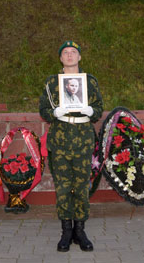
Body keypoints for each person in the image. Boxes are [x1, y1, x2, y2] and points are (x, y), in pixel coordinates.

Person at [39, 41, 103, 252]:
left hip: (83, 138)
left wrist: (89, 111)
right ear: (60, 58)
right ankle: (66, 231)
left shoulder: (90, 81)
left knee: (82, 187)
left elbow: (99, 109)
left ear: (79, 57)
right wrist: (54, 112)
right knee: (64, 187)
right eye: (65, 53)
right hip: (60, 140)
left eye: (73, 52)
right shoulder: (52, 83)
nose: (69, 55)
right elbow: (44, 110)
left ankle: (80, 230)